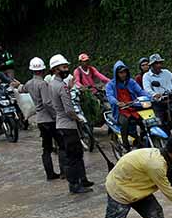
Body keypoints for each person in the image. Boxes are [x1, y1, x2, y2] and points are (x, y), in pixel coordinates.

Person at [49, 54, 92, 194]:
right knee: (73, 156)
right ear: (55, 69)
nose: (66, 69)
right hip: (68, 125)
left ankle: (82, 180)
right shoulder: (61, 86)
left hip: (62, 124)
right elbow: (68, 109)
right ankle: (74, 184)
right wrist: (79, 118)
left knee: (76, 153)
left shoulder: (53, 84)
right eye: (64, 67)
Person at [22, 57, 60, 180]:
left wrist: (17, 85)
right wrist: (56, 115)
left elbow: (21, 89)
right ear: (43, 70)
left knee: (46, 149)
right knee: (61, 145)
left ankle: (50, 174)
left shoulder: (29, 83)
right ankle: (64, 173)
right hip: (49, 119)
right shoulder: (43, 84)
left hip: (40, 120)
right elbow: (47, 103)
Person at [105, 60, 151, 152]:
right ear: (116, 73)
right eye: (121, 73)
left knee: (145, 120)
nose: (123, 75)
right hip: (120, 110)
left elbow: (140, 91)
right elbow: (110, 96)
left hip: (133, 107)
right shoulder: (110, 85)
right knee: (125, 122)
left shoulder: (131, 82)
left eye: (124, 72)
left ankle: (143, 140)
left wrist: (151, 97)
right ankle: (126, 145)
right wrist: (117, 102)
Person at [73, 53, 110, 125]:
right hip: (85, 93)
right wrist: (83, 87)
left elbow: (100, 76)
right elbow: (77, 81)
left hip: (94, 91)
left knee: (105, 100)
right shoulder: (77, 71)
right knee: (93, 105)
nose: (86, 63)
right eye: (84, 61)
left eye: (87, 61)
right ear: (80, 62)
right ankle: (93, 120)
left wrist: (110, 81)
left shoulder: (91, 69)